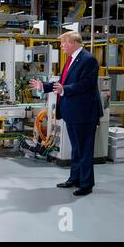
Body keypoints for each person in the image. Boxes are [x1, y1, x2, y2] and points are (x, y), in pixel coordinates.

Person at [29, 31, 103, 196]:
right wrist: (43, 86)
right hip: (72, 112)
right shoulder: (70, 60)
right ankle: (74, 178)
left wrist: (65, 89)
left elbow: (86, 84)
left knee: (84, 150)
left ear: (73, 42)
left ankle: (86, 184)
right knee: (76, 149)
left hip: (84, 113)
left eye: (63, 43)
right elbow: (62, 82)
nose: (61, 46)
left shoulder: (88, 59)